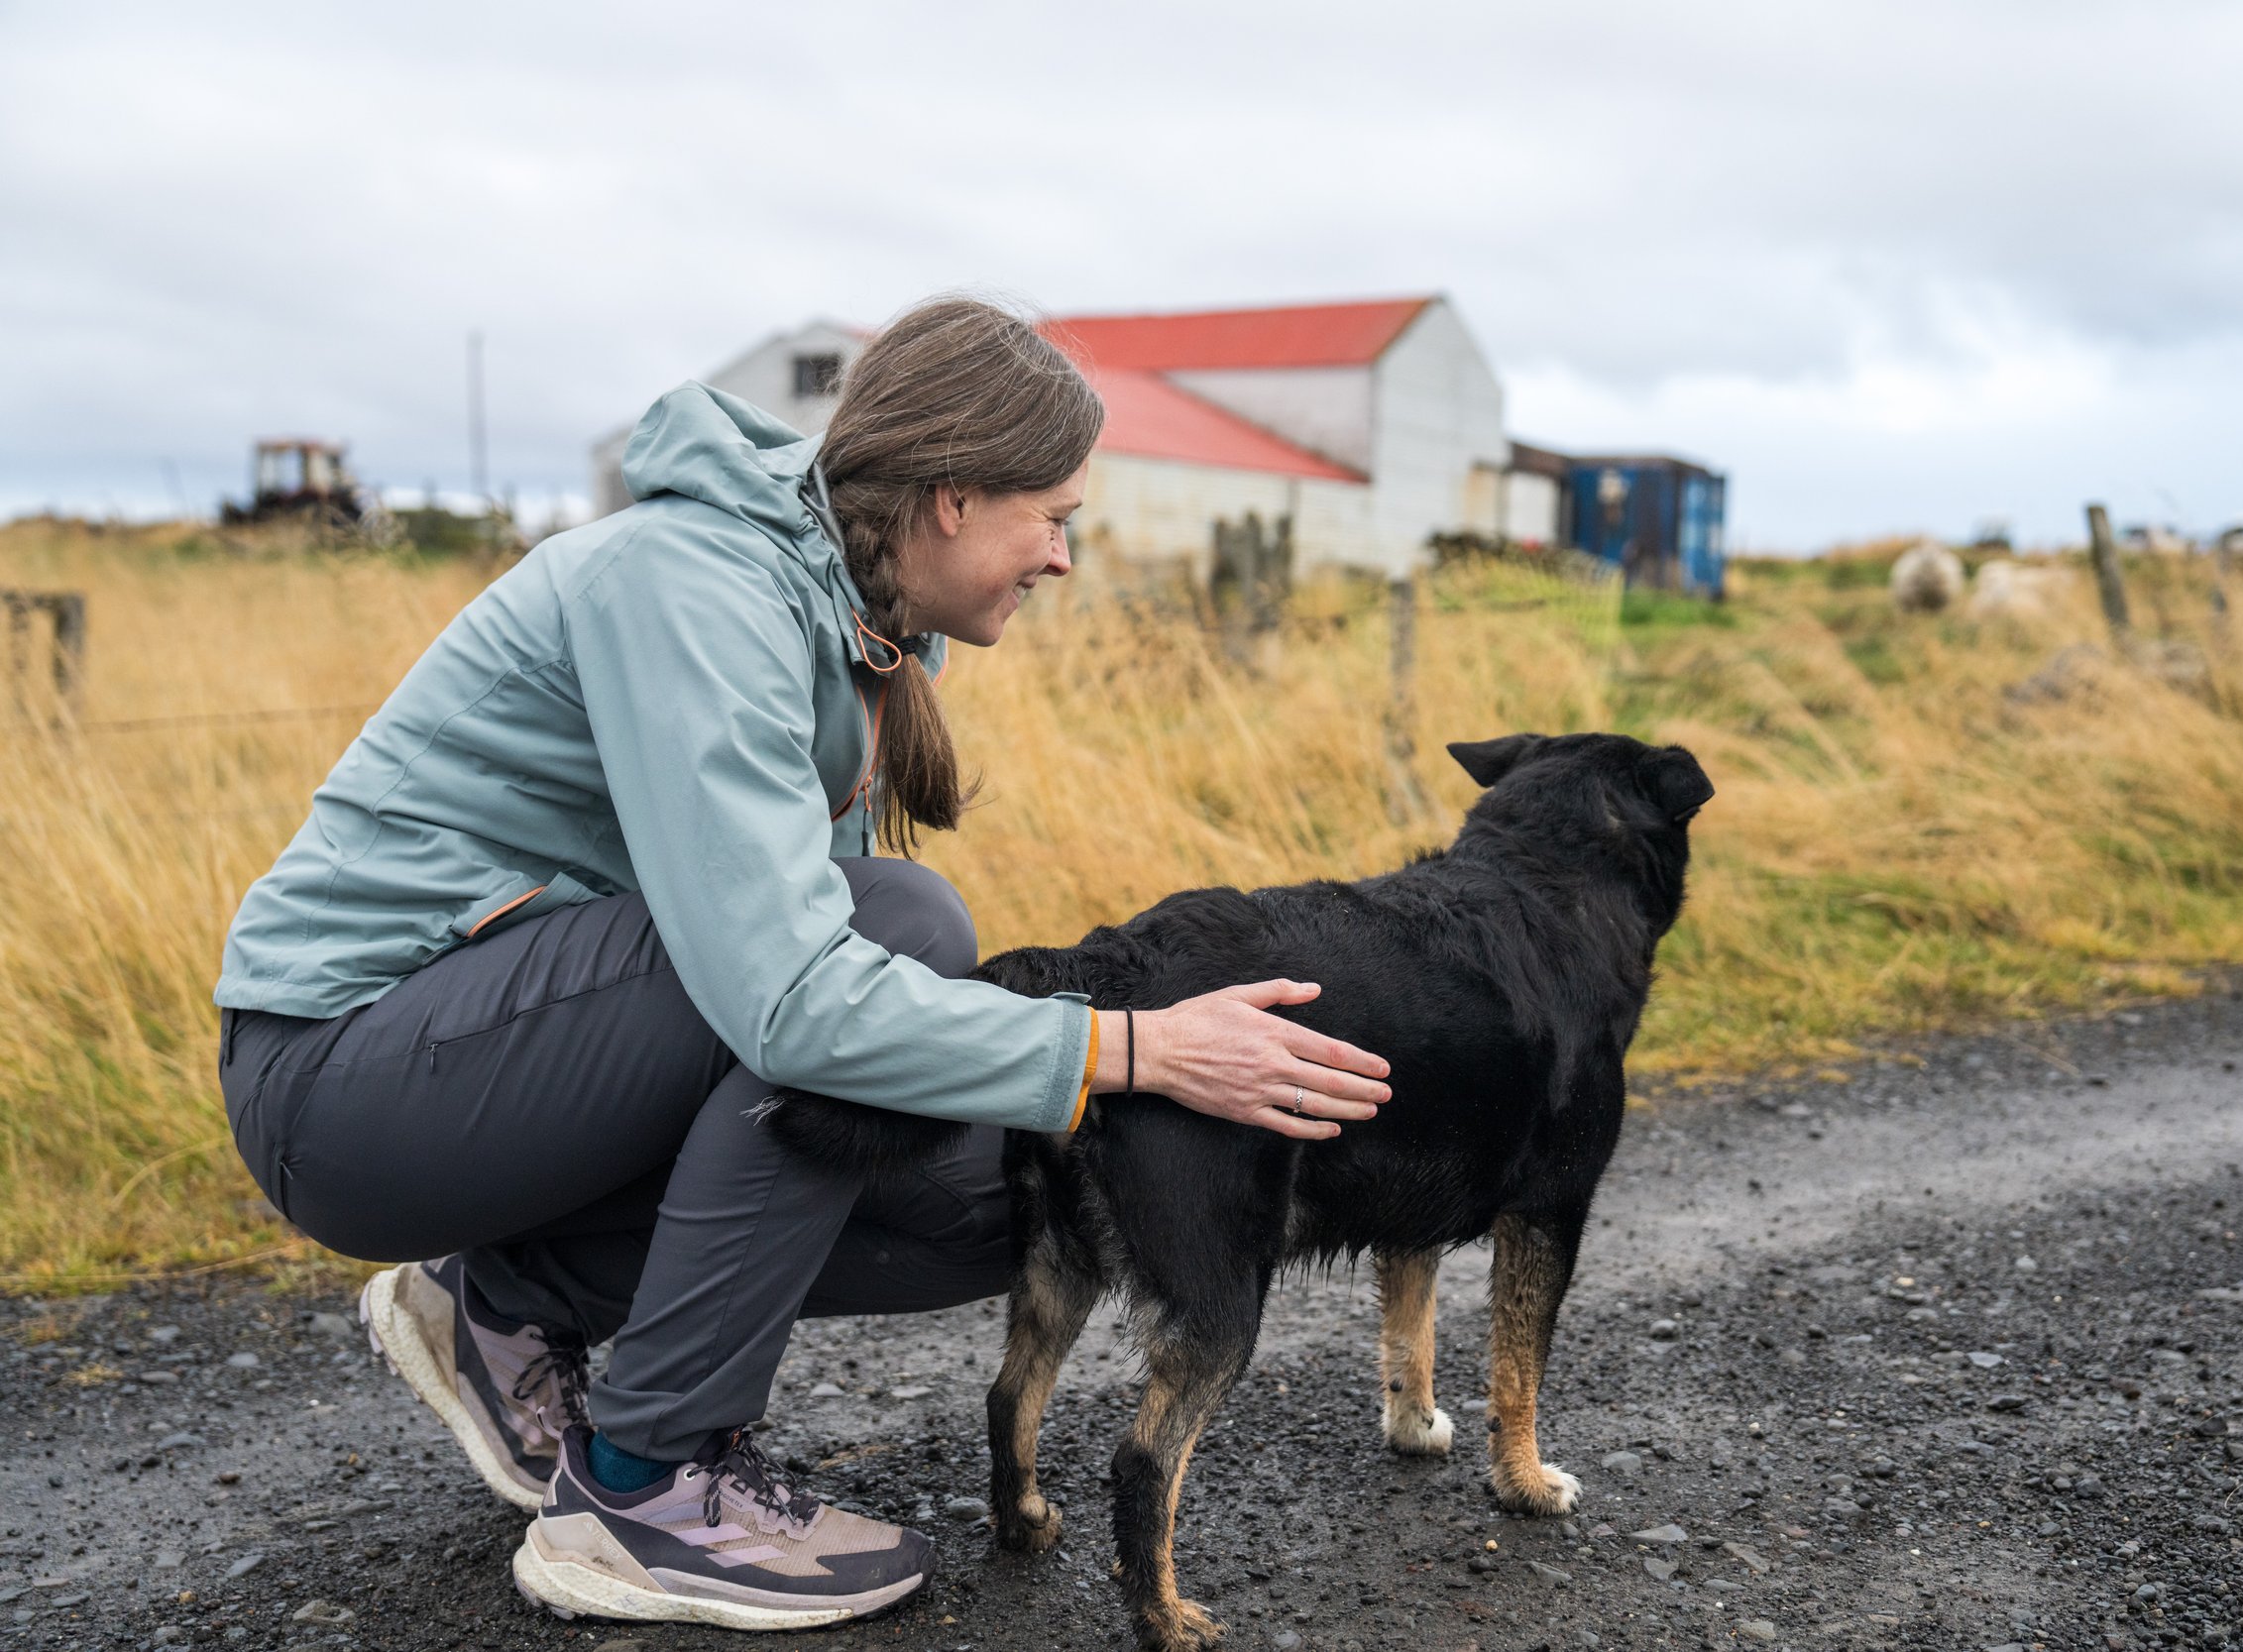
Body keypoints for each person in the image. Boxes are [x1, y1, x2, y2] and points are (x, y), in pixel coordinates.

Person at [213, 297, 1395, 1632]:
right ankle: (642, 1486)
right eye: (1052, 513)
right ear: (949, 497)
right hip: (347, 1083)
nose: (1063, 555)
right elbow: (787, 998)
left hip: (505, 1073)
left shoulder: (853, 619)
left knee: (1004, 1198)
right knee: (904, 925)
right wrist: (1135, 1046)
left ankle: (504, 1299)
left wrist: (1085, 1100)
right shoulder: (695, 586)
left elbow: (789, 1035)